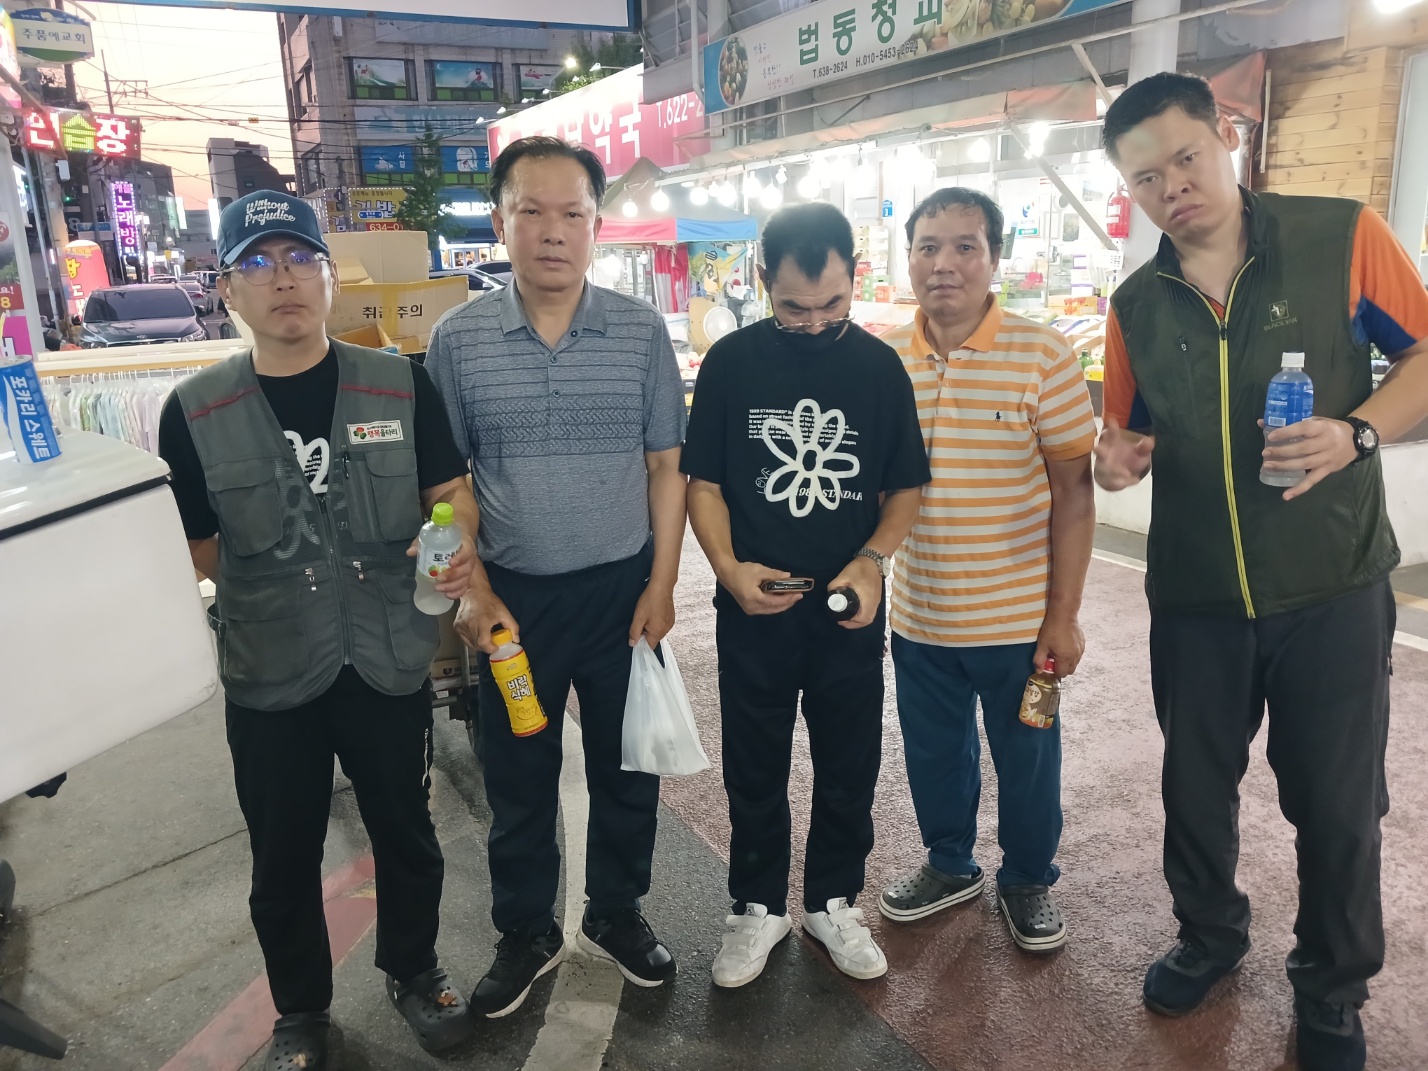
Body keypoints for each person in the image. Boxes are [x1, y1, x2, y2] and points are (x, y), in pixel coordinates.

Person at [1096, 73, 1428, 1071]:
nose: (1173, 187)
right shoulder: (1136, 303)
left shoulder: (1340, 235)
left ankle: (1331, 986)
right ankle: (1209, 936)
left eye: (1186, 157)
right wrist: (1116, 459)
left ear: (1227, 137)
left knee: (1335, 801)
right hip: (1195, 595)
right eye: (1146, 178)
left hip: (1332, 586)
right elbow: (1125, 433)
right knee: (1195, 789)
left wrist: (1357, 430)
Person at [158, 192, 480, 1070]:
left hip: (384, 657)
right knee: (282, 856)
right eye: (258, 263)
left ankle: (414, 969)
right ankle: (301, 1010)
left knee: (406, 832)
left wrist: (453, 541)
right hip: (269, 670)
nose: (284, 279)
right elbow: (197, 548)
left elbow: (449, 493)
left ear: (331, 278)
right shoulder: (195, 411)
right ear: (227, 289)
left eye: (300, 258)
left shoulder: (398, 383)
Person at [424, 136, 688, 1016]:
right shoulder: (457, 341)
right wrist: (472, 589)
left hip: (623, 592)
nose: (551, 231)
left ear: (596, 225)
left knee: (628, 767)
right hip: (516, 603)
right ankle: (526, 929)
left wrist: (662, 584)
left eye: (571, 212)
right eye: (530, 211)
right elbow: (449, 484)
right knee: (519, 776)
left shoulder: (640, 332)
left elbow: (666, 466)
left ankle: (616, 911)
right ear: (500, 224)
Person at [682, 203, 931, 989]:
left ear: (855, 278)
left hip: (847, 610)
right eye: (794, 308)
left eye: (833, 304)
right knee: (752, 762)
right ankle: (757, 906)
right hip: (752, 606)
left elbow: (905, 487)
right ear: (762, 281)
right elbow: (703, 483)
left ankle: (832, 900)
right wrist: (728, 569)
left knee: (849, 760)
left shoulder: (879, 367)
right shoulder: (730, 362)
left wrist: (872, 561)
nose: (816, 323)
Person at [876, 188, 1097, 951]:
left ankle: (1028, 877)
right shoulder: (883, 361)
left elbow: (1075, 495)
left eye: (965, 246)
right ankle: (950, 864)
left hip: (1018, 622)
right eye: (928, 246)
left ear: (995, 258)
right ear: (908, 258)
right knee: (935, 755)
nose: (944, 263)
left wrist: (1063, 616)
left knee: (1028, 758)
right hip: (920, 616)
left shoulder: (1044, 355)